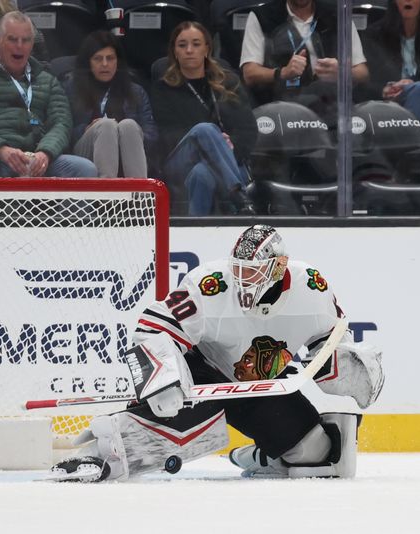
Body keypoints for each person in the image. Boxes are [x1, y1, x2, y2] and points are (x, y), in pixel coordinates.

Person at [51, 224, 385, 482]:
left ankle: (258, 458)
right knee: (172, 424)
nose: (242, 280)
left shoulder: (312, 288)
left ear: (279, 268)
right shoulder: (210, 284)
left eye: (252, 272)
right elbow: (154, 328)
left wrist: (352, 369)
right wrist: (163, 379)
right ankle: (99, 457)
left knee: (315, 452)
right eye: (238, 269)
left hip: (261, 385)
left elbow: (328, 346)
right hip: (202, 372)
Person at [0, 11, 96, 178]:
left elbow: (62, 124)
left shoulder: (48, 80)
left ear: (32, 44)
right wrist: (1, 150)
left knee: (85, 169)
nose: (19, 46)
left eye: (26, 40)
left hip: (37, 161)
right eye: (12, 39)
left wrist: (45, 153)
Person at [151, 21, 257, 215]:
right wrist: (214, 141)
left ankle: (196, 231)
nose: (189, 50)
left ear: (207, 48)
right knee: (205, 130)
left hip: (229, 160)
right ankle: (237, 196)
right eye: (182, 45)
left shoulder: (229, 82)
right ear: (174, 51)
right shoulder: (162, 88)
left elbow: (248, 129)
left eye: (196, 44)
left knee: (202, 173)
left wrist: (230, 146)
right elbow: (166, 134)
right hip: (180, 158)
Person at [239, 0, 369, 118]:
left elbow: (362, 72)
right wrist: (283, 73)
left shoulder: (339, 15)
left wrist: (342, 73)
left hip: (331, 106)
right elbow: (250, 73)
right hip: (282, 110)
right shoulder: (263, 16)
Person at [67, 30, 157, 178]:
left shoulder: (136, 91)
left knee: (129, 125)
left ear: (118, 61)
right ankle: (107, 199)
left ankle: (138, 198)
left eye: (110, 58)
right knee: (106, 126)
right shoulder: (72, 88)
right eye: (98, 59)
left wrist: (123, 136)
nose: (104, 64)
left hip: (128, 152)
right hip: (86, 153)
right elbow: (65, 132)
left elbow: (152, 135)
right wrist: (87, 129)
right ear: (88, 62)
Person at [361, 0, 420, 133]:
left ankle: (413, 140)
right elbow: (364, 86)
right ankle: (417, 144)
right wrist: (384, 90)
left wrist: (413, 85)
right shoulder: (374, 34)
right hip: (386, 109)